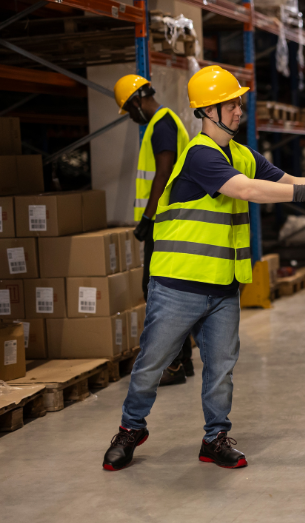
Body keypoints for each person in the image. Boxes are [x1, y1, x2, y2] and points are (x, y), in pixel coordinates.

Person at [102, 66, 305, 471]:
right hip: (179, 284)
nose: (238, 109)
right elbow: (246, 190)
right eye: (230, 104)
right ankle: (130, 430)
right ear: (207, 111)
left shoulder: (243, 154)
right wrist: (302, 193)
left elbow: (288, 180)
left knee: (221, 369)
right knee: (152, 363)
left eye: (238, 102)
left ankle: (215, 438)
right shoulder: (200, 155)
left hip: (222, 285)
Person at [114, 74, 196, 387]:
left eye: (128, 109)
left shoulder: (161, 124)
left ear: (137, 100)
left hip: (163, 223)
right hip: (169, 221)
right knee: (168, 292)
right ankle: (182, 361)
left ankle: (172, 365)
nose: (131, 116)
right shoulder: (165, 121)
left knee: (158, 293)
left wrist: (147, 219)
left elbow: (163, 172)